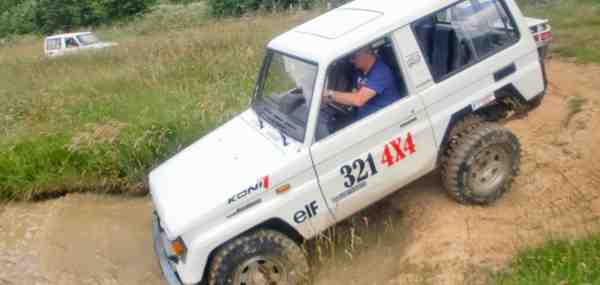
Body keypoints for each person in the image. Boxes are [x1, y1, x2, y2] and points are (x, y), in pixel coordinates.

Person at [324, 46, 402, 121]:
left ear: (367, 53)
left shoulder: (381, 72)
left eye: (353, 57)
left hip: (384, 120)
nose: (351, 61)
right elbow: (354, 93)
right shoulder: (359, 71)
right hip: (364, 118)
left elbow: (358, 100)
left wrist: (329, 94)